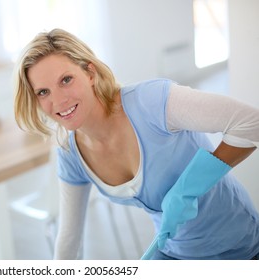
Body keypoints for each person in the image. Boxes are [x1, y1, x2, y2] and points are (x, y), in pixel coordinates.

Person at [14, 28, 259, 260]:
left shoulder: (152, 103)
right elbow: (68, 237)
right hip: (174, 252)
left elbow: (251, 123)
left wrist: (191, 186)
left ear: (90, 73)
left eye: (66, 80)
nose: (58, 100)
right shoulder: (70, 152)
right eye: (43, 92)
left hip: (239, 246)